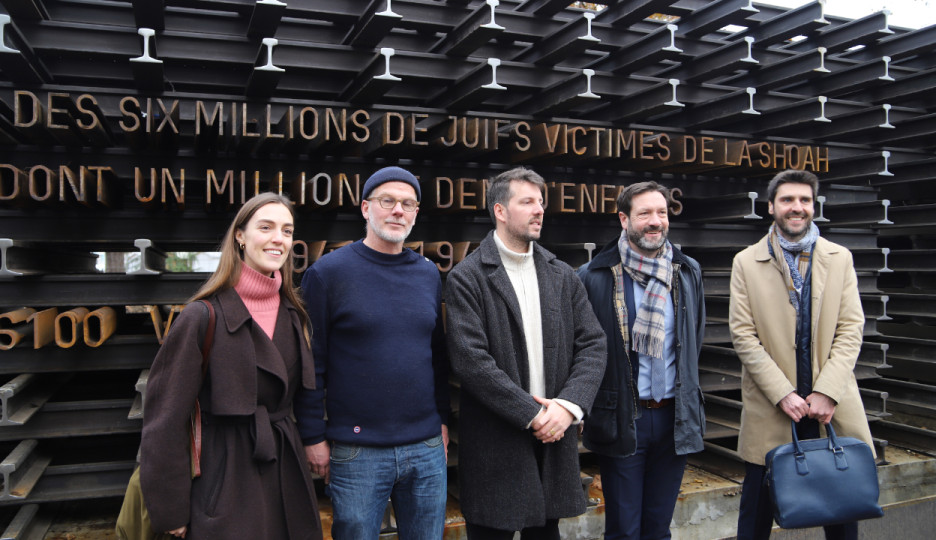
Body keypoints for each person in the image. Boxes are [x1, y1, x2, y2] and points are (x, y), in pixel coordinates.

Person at [140, 192, 322, 540]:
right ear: (240, 235)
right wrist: (171, 510)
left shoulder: (294, 314)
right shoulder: (201, 316)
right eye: (265, 227)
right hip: (223, 474)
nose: (278, 239)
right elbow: (164, 421)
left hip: (285, 470)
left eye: (287, 230)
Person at [445, 166, 607, 540]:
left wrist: (568, 407)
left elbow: (593, 344)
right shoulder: (468, 277)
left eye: (541, 202)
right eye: (528, 202)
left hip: (554, 440)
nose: (539, 210)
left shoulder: (561, 274)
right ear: (500, 211)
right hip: (496, 444)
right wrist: (535, 415)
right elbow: (471, 361)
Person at [299, 166, 450, 540]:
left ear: (416, 213)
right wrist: (312, 436)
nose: (398, 210)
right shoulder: (327, 274)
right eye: (388, 201)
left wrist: (442, 422)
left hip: (426, 447)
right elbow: (310, 363)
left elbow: (437, 356)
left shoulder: (428, 275)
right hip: (357, 452)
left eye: (407, 203)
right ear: (366, 208)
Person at [729, 169, 875, 540]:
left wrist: (828, 391)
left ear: (814, 206)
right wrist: (782, 393)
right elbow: (743, 335)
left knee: (843, 512)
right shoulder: (746, 261)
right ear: (772, 207)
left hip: (831, 408)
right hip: (772, 407)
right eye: (788, 200)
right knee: (755, 520)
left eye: (805, 200)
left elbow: (850, 329)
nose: (797, 208)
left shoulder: (839, 258)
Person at [577, 181, 706, 540]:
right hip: (623, 419)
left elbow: (694, 338)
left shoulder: (687, 271)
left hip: (674, 419)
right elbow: (582, 350)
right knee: (624, 530)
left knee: (658, 527)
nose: (655, 221)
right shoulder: (595, 277)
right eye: (645, 213)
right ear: (624, 219)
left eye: (661, 212)